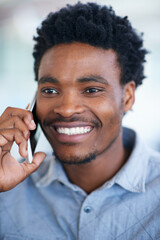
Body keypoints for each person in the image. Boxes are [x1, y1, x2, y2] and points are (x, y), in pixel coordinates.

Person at [0, 2, 160, 239]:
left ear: (127, 98)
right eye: (50, 90)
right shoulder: (8, 190)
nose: (66, 109)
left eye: (92, 90)